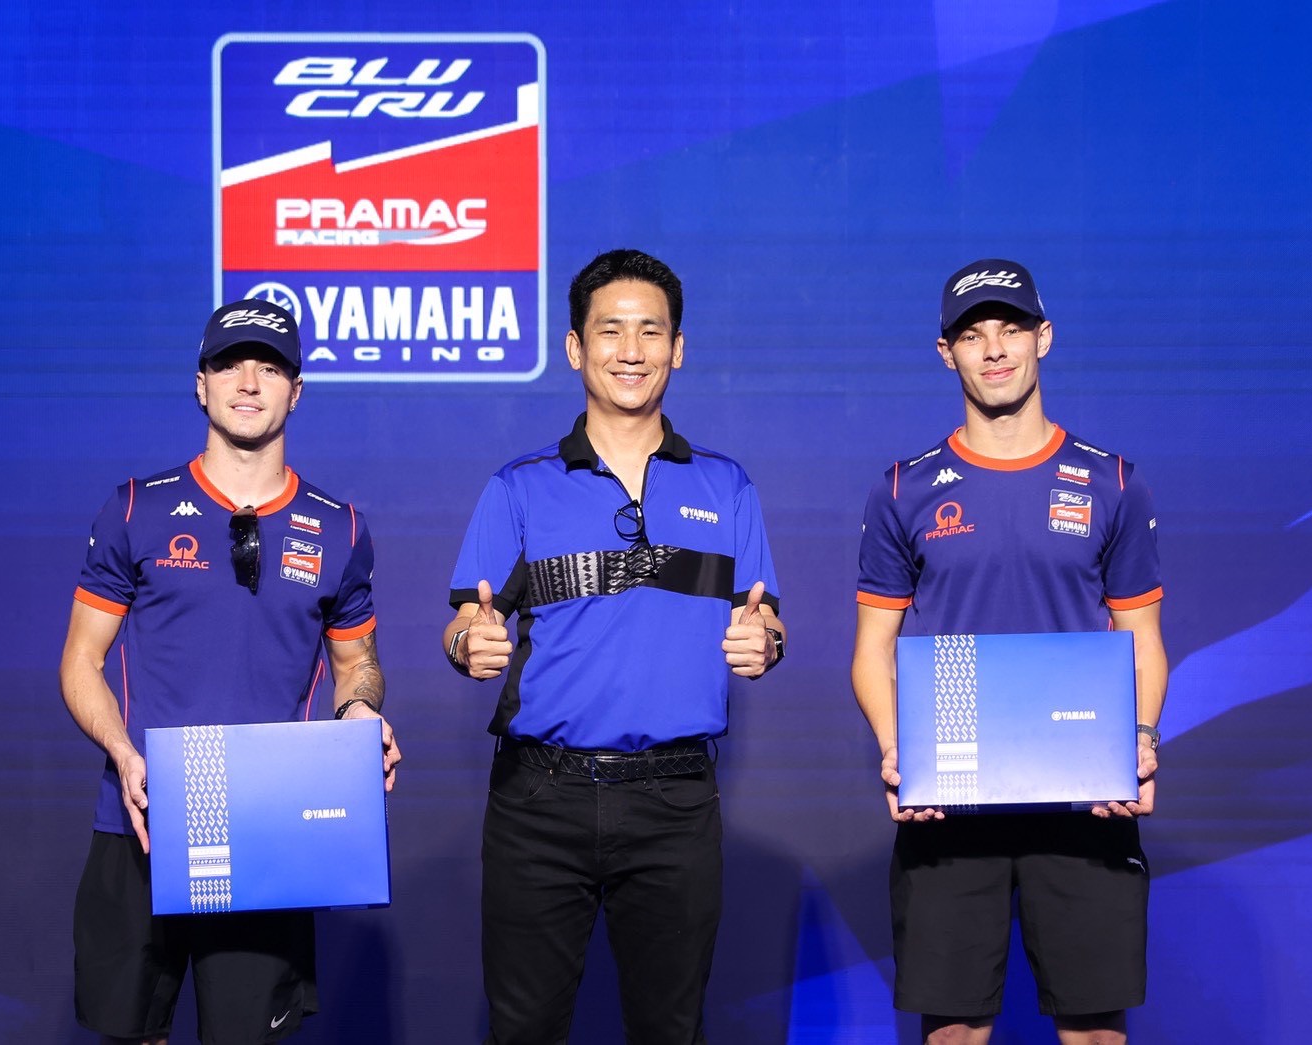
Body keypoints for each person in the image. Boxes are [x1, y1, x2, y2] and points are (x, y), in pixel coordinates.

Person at [442, 249, 786, 1045]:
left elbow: (764, 618)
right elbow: (465, 620)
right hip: (539, 801)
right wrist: (469, 643)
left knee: (672, 1030)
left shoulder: (726, 485)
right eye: (610, 330)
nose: (630, 350)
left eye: (650, 331)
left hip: (675, 800)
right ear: (575, 347)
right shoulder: (518, 485)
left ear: (677, 348)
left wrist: (764, 641)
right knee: (522, 1031)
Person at [60, 299, 402, 1044]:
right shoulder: (134, 509)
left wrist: (359, 714)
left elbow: (357, 664)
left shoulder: (340, 527)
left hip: (266, 829)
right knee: (132, 1034)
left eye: (270, 367)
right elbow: (81, 659)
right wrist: (122, 752)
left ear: (296, 390)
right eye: (229, 364)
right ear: (201, 384)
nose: (248, 382)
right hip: (142, 817)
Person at [850, 259, 1167, 1045]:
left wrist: (1136, 741)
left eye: (1010, 328)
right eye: (971, 334)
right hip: (949, 795)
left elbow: (1142, 639)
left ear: (1042, 338)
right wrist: (897, 749)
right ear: (945, 352)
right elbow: (871, 651)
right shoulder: (903, 489)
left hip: (1084, 796)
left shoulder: (1111, 482)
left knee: (1095, 1032)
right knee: (953, 1032)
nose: (993, 349)